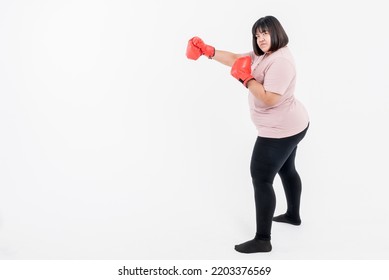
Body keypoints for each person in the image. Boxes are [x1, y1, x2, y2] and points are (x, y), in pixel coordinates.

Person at [186, 15, 309, 253]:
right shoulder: (267, 54)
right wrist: (208, 51)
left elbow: (270, 97)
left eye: (265, 33)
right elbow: (237, 59)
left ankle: (263, 239)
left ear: (277, 32)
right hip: (293, 124)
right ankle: (293, 216)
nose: (261, 38)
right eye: (257, 34)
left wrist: (246, 78)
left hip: (279, 131)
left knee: (261, 179)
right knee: (287, 168)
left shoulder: (281, 61)